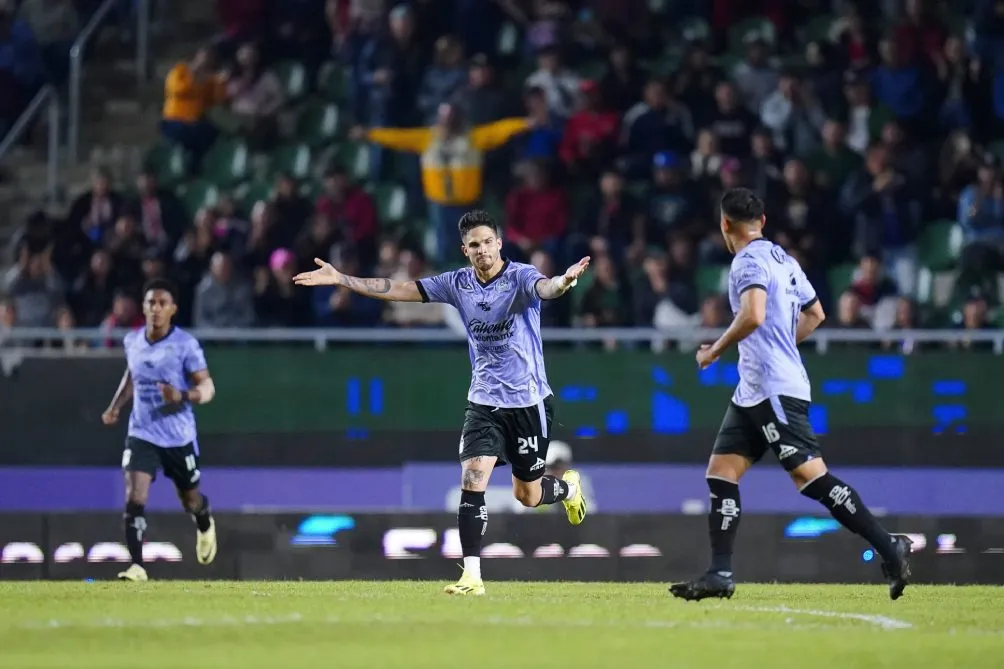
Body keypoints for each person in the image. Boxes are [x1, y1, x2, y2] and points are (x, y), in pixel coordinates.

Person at [293, 209, 590, 596]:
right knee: (473, 478)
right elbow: (399, 288)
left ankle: (568, 490)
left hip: (528, 402)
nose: (482, 250)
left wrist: (564, 281)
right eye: (474, 245)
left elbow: (546, 289)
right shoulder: (457, 283)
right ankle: (472, 577)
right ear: (465, 250)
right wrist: (341, 279)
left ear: (499, 243)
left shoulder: (520, 277)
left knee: (528, 495)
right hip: (483, 401)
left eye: (488, 242)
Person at [669, 188, 912, 602]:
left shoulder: (745, 261)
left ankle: (890, 547)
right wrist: (781, 346)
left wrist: (714, 350)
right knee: (721, 473)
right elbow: (816, 313)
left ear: (724, 224)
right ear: (762, 222)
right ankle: (720, 573)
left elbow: (753, 314)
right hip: (753, 390)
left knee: (809, 477)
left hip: (773, 389)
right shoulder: (785, 259)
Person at [100, 279, 218, 582]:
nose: (156, 308)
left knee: (189, 500)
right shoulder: (133, 341)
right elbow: (132, 376)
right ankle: (137, 566)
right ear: (143, 307)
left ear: (173, 309)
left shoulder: (185, 345)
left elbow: (208, 388)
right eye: (151, 302)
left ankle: (204, 518)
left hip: (178, 436)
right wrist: (116, 406)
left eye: (162, 303)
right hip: (142, 432)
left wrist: (181, 395)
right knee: (134, 495)